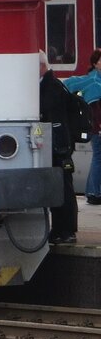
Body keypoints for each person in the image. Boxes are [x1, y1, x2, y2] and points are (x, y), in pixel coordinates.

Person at [40, 51, 77, 243]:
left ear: (40, 66)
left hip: (58, 146)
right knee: (61, 187)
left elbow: (51, 118)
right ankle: (61, 230)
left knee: (62, 188)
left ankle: (66, 231)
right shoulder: (54, 86)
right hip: (59, 144)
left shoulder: (50, 88)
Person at [65, 49, 101, 206]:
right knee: (98, 158)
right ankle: (94, 192)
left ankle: (91, 191)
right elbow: (96, 108)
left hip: (96, 126)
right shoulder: (94, 82)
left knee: (98, 158)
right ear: (95, 63)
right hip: (98, 127)